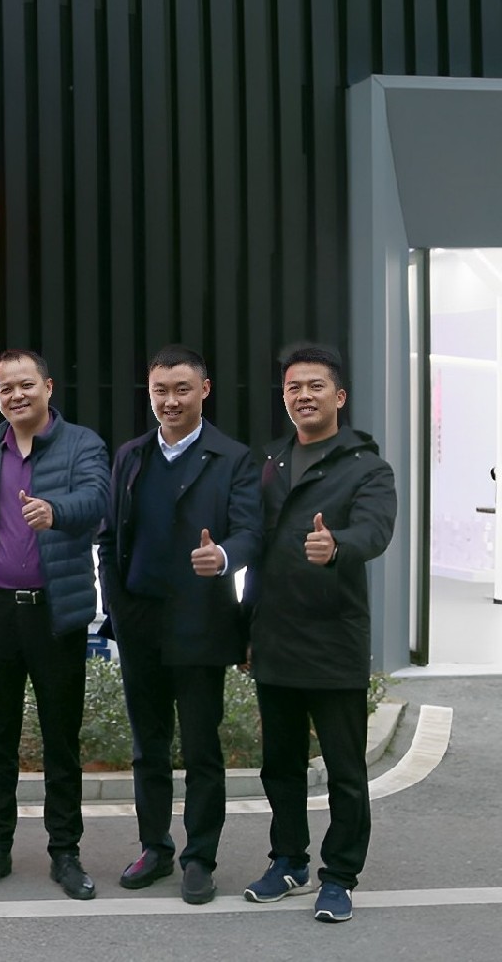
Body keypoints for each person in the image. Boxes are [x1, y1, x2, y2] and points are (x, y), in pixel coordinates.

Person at [97, 346, 261, 905]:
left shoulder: (233, 458)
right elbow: (109, 538)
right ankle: (155, 847)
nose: (170, 401)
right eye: (160, 391)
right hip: (139, 621)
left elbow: (250, 532)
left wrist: (224, 557)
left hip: (202, 623)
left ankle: (200, 858)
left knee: (201, 750)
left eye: (182, 389)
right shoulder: (132, 456)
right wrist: (118, 607)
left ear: (204, 390)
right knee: (148, 747)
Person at [241, 345, 396, 924]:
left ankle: (340, 876)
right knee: (279, 766)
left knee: (346, 772)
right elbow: (255, 548)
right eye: (293, 387)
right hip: (276, 636)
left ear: (339, 396)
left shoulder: (367, 468)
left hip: (334, 640)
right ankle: (288, 861)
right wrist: (246, 628)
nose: (303, 395)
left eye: (315, 385)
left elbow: (375, 531)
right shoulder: (269, 463)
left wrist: (338, 546)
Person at [0, 349, 110, 900]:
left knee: (61, 740)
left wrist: (55, 511)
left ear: (48, 386)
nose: (16, 395)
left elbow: (98, 498)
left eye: (25, 385)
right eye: (5, 389)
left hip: (54, 612)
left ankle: (65, 852)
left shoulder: (81, 444)